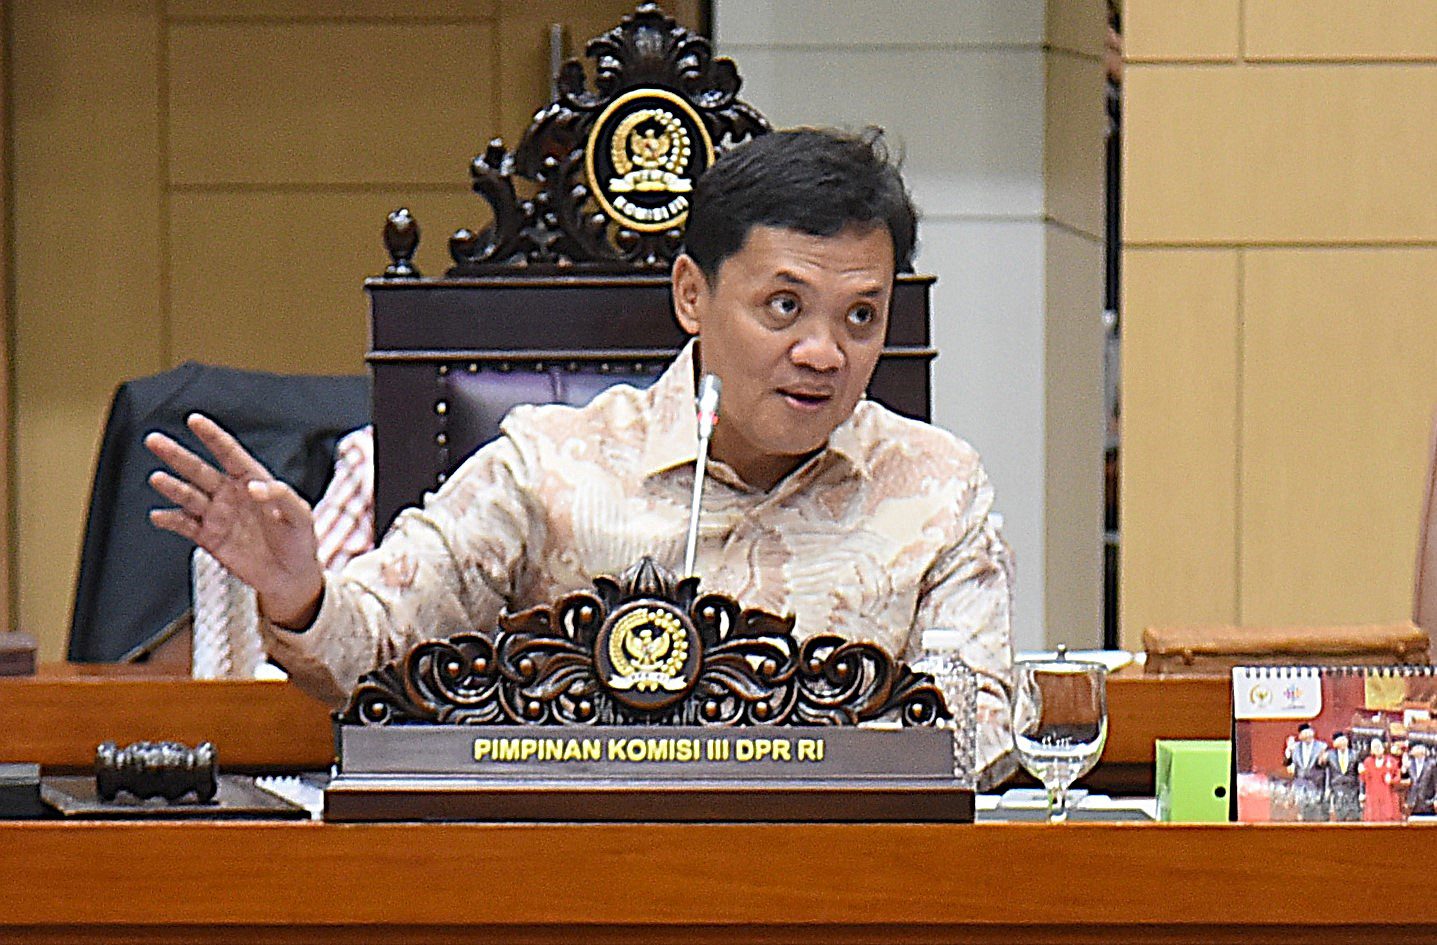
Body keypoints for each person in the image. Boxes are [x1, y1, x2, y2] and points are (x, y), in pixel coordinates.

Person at [144, 127, 1016, 788]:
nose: (823, 353)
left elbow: (978, 735)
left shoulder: (934, 485)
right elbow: (370, 655)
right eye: (783, 306)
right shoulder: (550, 465)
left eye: (861, 316)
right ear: (692, 295)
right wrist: (299, 590)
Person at [1283, 723, 1327, 822]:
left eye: (1309, 733)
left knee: (1314, 812)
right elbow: (1287, 764)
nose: (1307, 735)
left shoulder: (1322, 746)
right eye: (1304, 733)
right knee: (1301, 812)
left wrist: (1323, 760)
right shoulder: (1295, 747)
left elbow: (1325, 766)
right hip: (1300, 784)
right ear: (1300, 736)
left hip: (1316, 783)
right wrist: (1288, 752)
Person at [1320, 731, 1361, 822]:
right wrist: (1327, 788)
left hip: (1352, 789)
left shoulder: (1355, 754)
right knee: (1339, 816)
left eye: (1344, 740)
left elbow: (1359, 774)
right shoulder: (1330, 755)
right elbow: (1326, 772)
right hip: (1337, 788)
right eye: (1340, 741)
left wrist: (1361, 791)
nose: (1342, 743)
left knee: (1353, 816)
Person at [1359, 737, 1402, 822]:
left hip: (1387, 797)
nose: (1377, 749)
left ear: (1383, 748)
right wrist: (1361, 773)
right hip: (1373, 798)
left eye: (1379, 746)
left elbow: (1398, 777)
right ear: (1372, 751)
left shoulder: (1391, 761)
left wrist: (1391, 780)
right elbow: (1363, 779)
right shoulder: (1368, 762)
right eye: (1375, 747)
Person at [1402, 741, 1436, 816]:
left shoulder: (1432, 764)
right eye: (1416, 748)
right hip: (1413, 803)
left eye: (1421, 747)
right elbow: (1404, 780)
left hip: (1427, 802)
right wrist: (1404, 769)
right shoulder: (1409, 763)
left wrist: (1435, 799)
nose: (1419, 749)